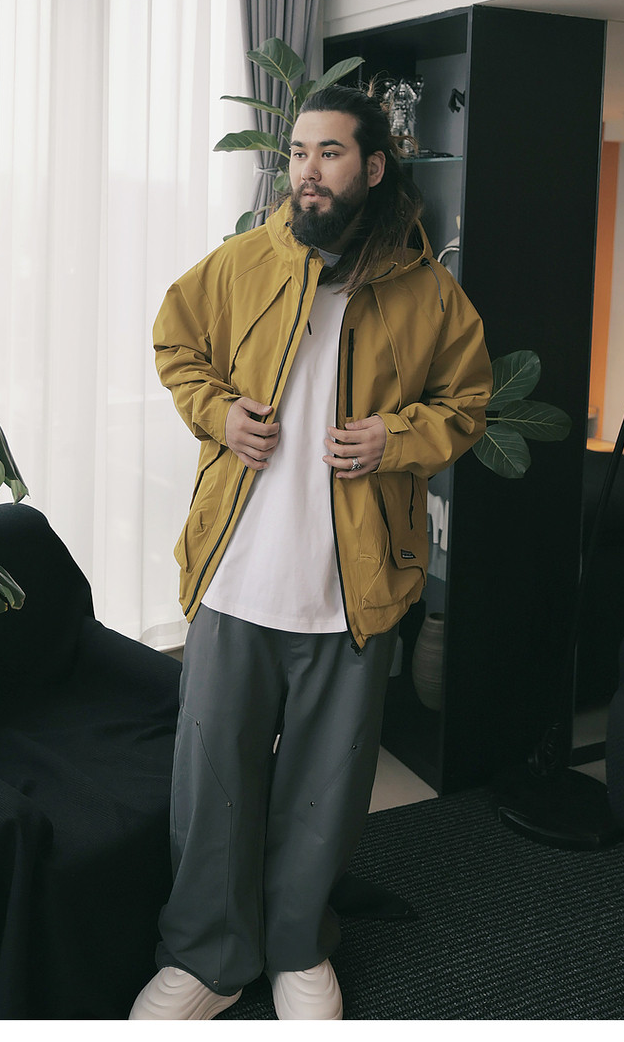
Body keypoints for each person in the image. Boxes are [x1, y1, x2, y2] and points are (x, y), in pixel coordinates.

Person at [129, 83, 492, 1021]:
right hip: (236, 575)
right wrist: (219, 414)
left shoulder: (427, 291)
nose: (308, 171)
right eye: (298, 153)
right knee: (212, 783)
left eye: (329, 153)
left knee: (326, 791)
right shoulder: (244, 261)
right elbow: (176, 344)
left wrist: (393, 436)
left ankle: (297, 947)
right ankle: (207, 956)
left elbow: (467, 404)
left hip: (351, 588)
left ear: (373, 166)